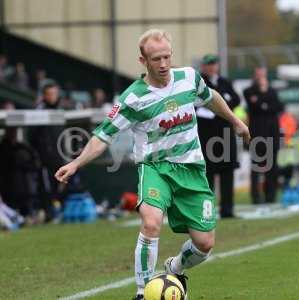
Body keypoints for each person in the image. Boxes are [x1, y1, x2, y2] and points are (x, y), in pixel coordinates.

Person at [54, 29, 250, 300]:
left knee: (204, 244)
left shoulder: (189, 78)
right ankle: (143, 292)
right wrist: (76, 163)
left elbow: (212, 97)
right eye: (156, 59)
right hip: (155, 168)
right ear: (142, 60)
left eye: (167, 57)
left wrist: (235, 121)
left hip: (191, 168)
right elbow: (103, 136)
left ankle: (174, 267)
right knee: (151, 223)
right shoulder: (132, 98)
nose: (163, 64)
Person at [196, 54, 240, 218]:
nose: (211, 67)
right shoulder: (199, 83)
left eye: (214, 64)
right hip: (207, 136)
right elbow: (200, 103)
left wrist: (220, 104)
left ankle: (228, 209)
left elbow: (234, 99)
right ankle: (207, 211)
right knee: (208, 175)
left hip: (225, 135)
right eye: (208, 64)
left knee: (227, 172)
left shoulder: (224, 82)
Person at [243, 67, 283, 204]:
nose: (261, 77)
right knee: (256, 168)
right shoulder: (249, 91)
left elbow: (278, 107)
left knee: (272, 168)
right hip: (257, 135)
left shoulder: (272, 91)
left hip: (272, 135)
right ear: (254, 76)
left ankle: (271, 196)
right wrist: (264, 103)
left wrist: (262, 102)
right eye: (258, 74)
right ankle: (256, 197)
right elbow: (255, 106)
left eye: (263, 75)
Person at [29, 82, 66, 221]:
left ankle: (60, 212)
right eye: (49, 94)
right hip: (44, 159)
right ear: (44, 95)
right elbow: (32, 137)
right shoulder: (38, 111)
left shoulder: (63, 110)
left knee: (61, 187)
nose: (52, 97)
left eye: (54, 93)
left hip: (60, 157)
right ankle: (49, 214)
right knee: (46, 188)